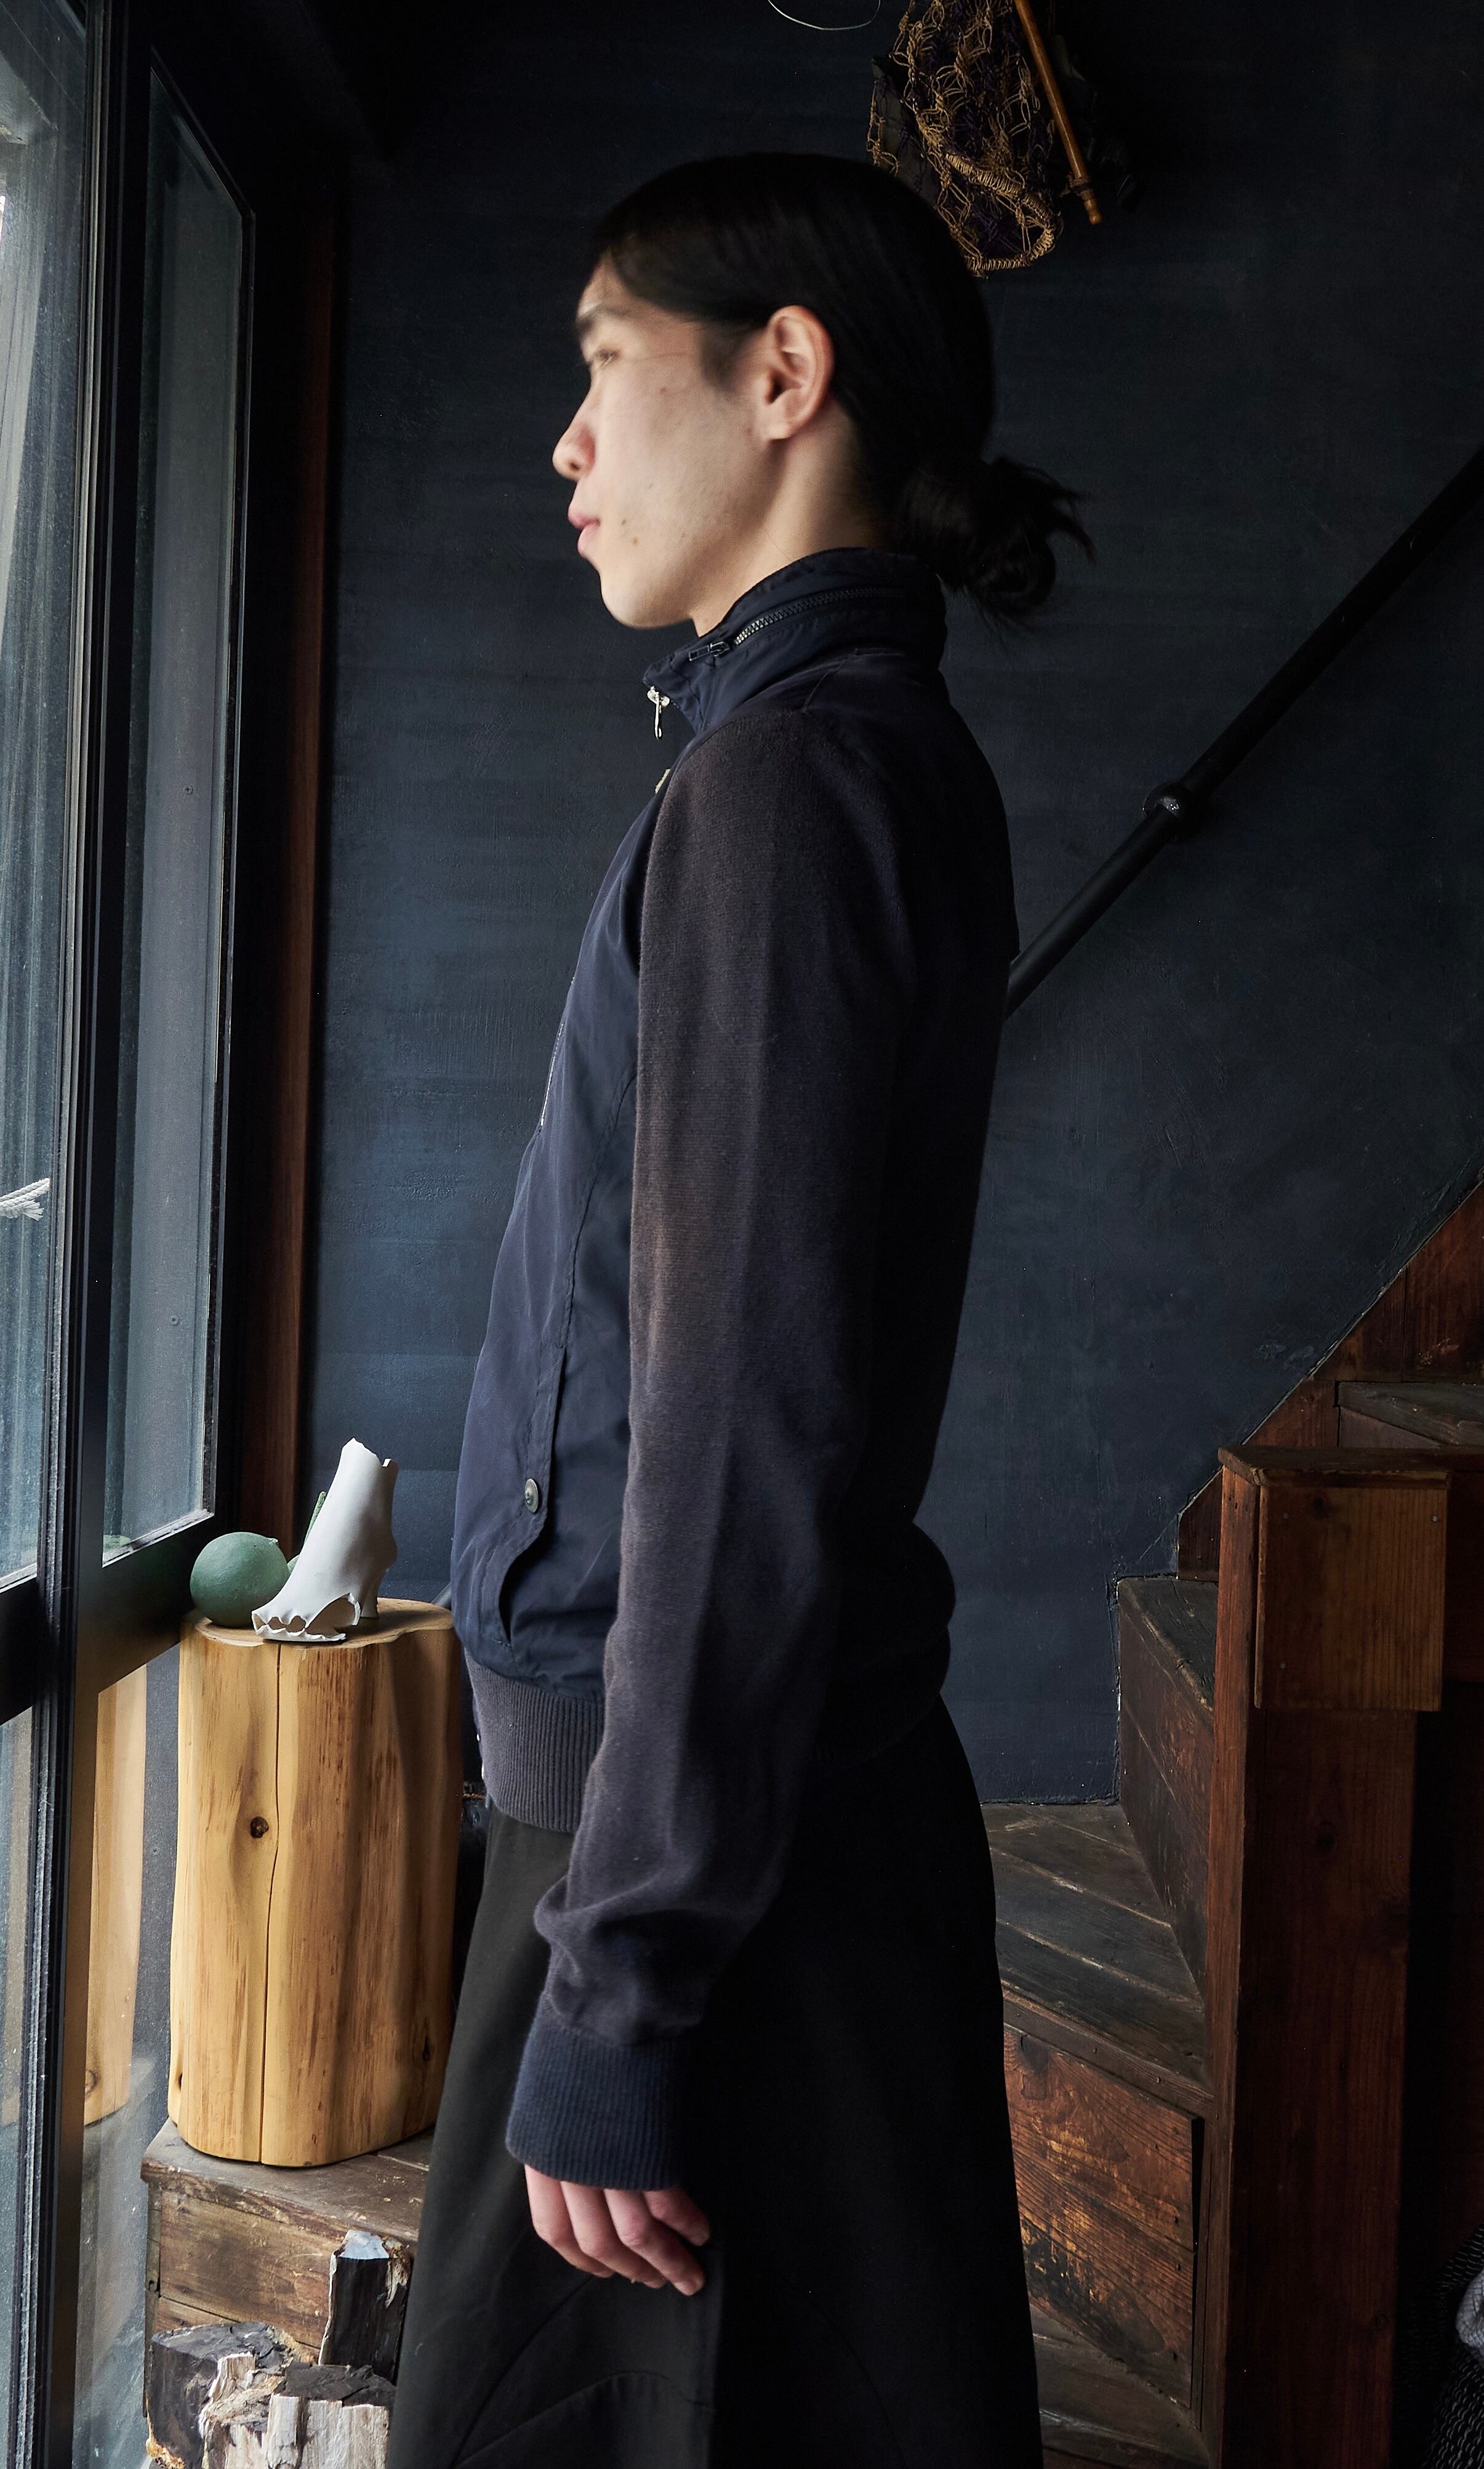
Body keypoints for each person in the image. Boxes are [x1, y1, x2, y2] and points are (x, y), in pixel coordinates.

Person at [388, 150, 1087, 2469]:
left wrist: (629, 1978)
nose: (567, 442)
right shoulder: (817, 756)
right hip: (713, 1840)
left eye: (607, 368)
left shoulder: (794, 782)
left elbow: (740, 1421)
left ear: (782, 374)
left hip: (698, 1870)